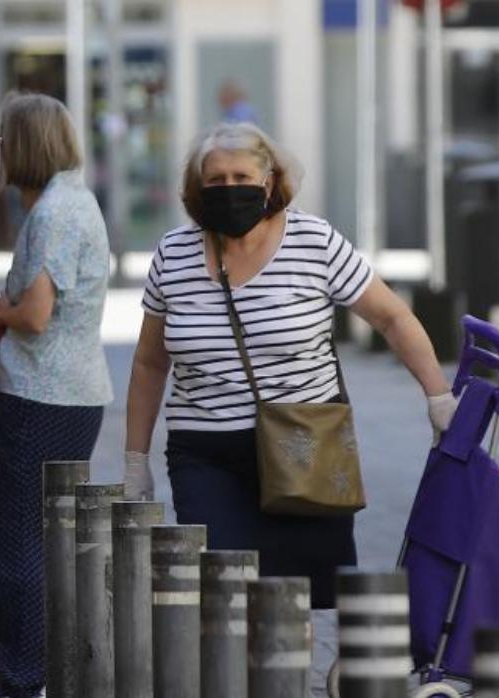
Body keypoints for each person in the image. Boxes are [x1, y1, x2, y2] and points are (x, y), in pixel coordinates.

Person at [122, 122, 458, 609]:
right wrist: (136, 461)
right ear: (196, 189)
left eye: (241, 177)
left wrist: (438, 397)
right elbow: (150, 363)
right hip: (205, 452)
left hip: (305, 447)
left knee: (307, 592)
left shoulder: (314, 242)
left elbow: (392, 317)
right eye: (215, 181)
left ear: (269, 180)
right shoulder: (173, 255)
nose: (229, 189)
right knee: (224, 589)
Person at [0, 92, 113, 698]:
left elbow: (36, 314)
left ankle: (22, 677)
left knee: (17, 541)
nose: (0, 150)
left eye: (5, 139)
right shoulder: (71, 200)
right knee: (37, 536)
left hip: (44, 393)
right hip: (69, 389)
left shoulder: (56, 212)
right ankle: (28, 671)